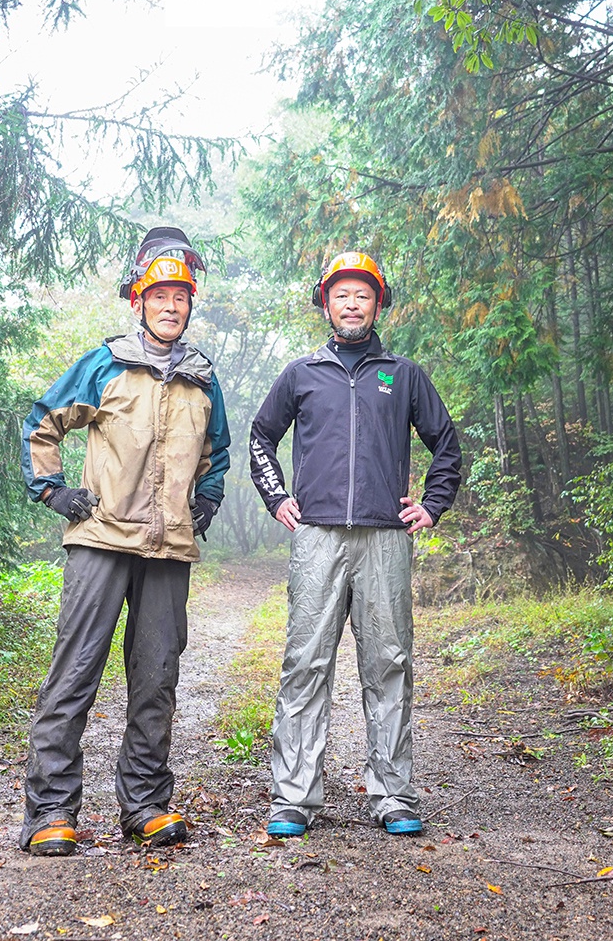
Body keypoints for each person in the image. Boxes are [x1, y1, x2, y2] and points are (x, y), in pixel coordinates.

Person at [18, 227, 230, 857]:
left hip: (168, 549)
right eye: (159, 295)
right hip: (102, 540)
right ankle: (51, 811)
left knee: (157, 677)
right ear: (138, 301)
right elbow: (42, 422)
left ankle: (145, 805)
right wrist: (53, 491)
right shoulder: (104, 363)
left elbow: (215, 452)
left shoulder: (201, 377)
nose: (171, 306)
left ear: (191, 306)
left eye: (181, 297)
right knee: (76, 671)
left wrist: (209, 497)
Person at [248, 251, 462, 838]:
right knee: (305, 664)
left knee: (388, 663)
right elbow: (260, 437)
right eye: (341, 294)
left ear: (377, 304)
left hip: (386, 540)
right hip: (316, 536)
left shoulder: (404, 374)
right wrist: (277, 497)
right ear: (326, 303)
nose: (351, 304)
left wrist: (432, 505)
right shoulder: (301, 374)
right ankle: (293, 796)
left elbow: (447, 445)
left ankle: (393, 794)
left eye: (363, 295)